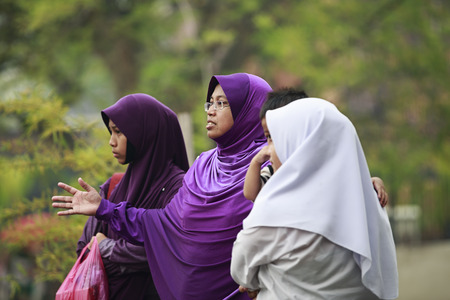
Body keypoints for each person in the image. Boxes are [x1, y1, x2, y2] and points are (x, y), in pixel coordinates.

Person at [52, 73, 272, 300]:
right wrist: (104, 208)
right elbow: (164, 226)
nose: (210, 110)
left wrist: (106, 248)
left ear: (248, 109)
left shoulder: (269, 167)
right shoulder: (204, 166)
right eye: (210, 102)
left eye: (222, 103)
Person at [230, 98, 399, 299]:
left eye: (274, 139)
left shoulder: (274, 212)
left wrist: (257, 282)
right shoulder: (368, 201)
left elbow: (240, 268)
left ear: (298, 143)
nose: (268, 150)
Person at [77, 93, 189, 299]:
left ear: (146, 133)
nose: (111, 141)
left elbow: (166, 251)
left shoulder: (179, 188)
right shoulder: (113, 187)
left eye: (119, 132)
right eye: (111, 132)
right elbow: (84, 250)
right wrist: (127, 259)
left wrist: (107, 248)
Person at [243, 88, 389, 207]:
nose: (271, 146)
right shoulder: (274, 173)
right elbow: (250, 193)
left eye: (277, 136)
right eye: (269, 137)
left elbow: (346, 187)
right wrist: (256, 162)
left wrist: (370, 183)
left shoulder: (321, 165)